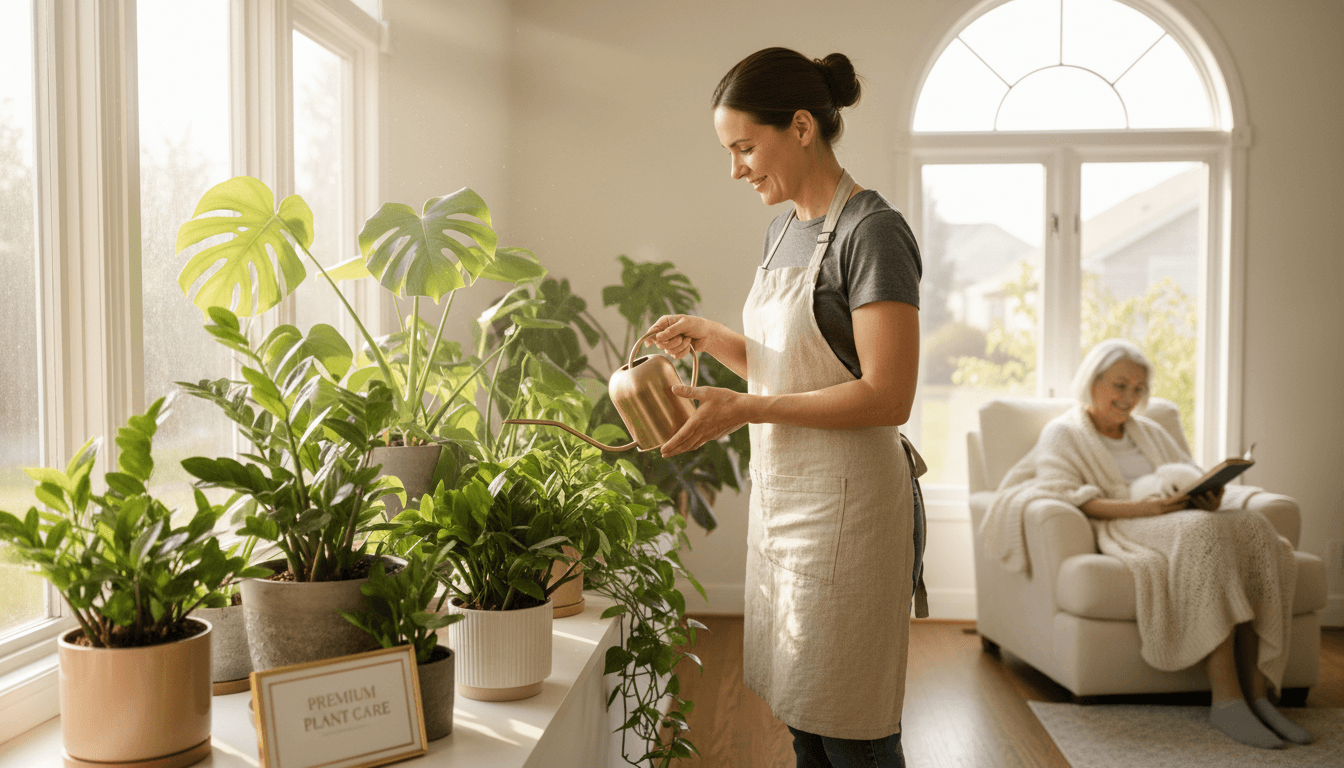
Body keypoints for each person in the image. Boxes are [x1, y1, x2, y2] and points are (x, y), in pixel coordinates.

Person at [645, 47, 925, 768]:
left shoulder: (872, 232)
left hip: (853, 511)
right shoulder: (783, 231)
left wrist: (744, 409)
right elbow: (796, 362)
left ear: (801, 126)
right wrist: (716, 339)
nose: (735, 168)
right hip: (791, 503)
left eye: (744, 147)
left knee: (852, 727)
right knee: (805, 716)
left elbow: (887, 396)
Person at [979, 338, 1310, 749]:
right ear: (1094, 382)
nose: (1129, 398)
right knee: (1201, 533)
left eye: (1138, 389)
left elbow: (1188, 473)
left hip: (1176, 515)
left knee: (1256, 529)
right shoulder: (1063, 433)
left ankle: (1259, 697)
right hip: (1124, 523)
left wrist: (1208, 494)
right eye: (1120, 385)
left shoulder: (1149, 430)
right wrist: (1147, 511)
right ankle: (1227, 700)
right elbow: (1066, 493)